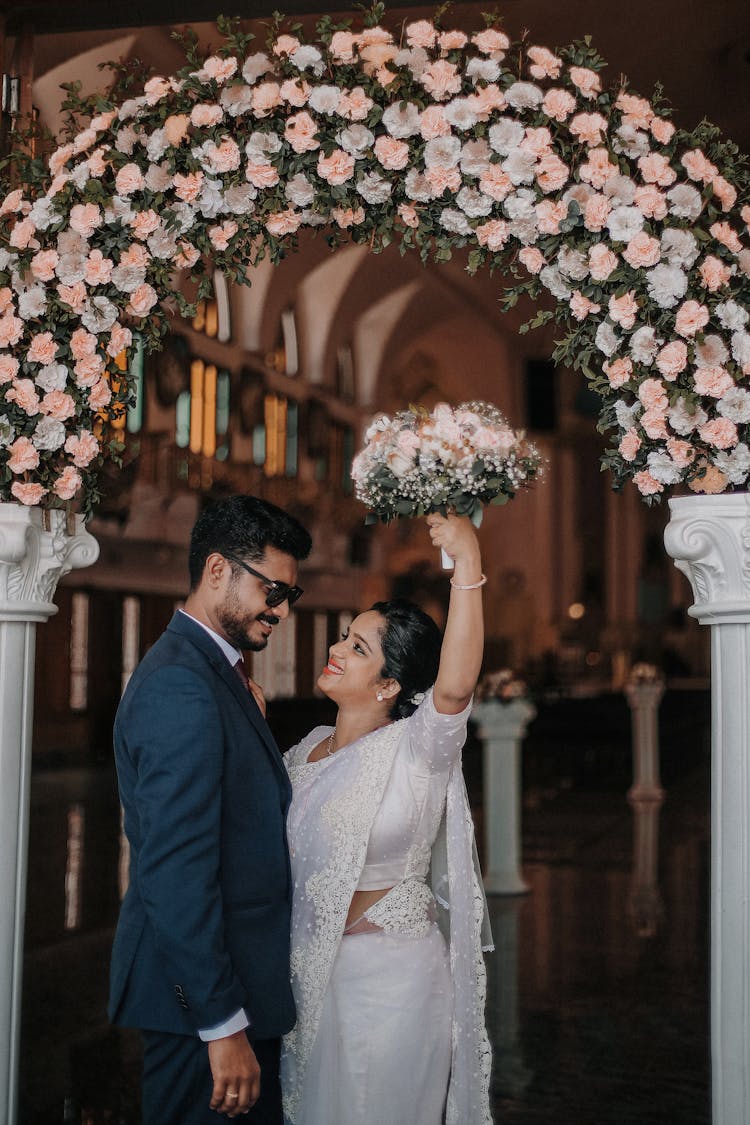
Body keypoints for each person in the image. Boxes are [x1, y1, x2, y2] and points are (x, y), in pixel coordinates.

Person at [281, 512, 493, 1125]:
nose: (336, 650)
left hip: (391, 987)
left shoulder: (418, 751)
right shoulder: (306, 751)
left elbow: (452, 690)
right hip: (310, 975)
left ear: (388, 685)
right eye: (346, 637)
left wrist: (468, 566)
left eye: (357, 647)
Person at [108, 494, 312, 1124]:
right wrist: (221, 1025)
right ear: (218, 570)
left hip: (232, 991)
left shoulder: (215, 674)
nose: (280, 610)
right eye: (273, 590)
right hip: (203, 1009)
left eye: (289, 597)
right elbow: (175, 872)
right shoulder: (182, 685)